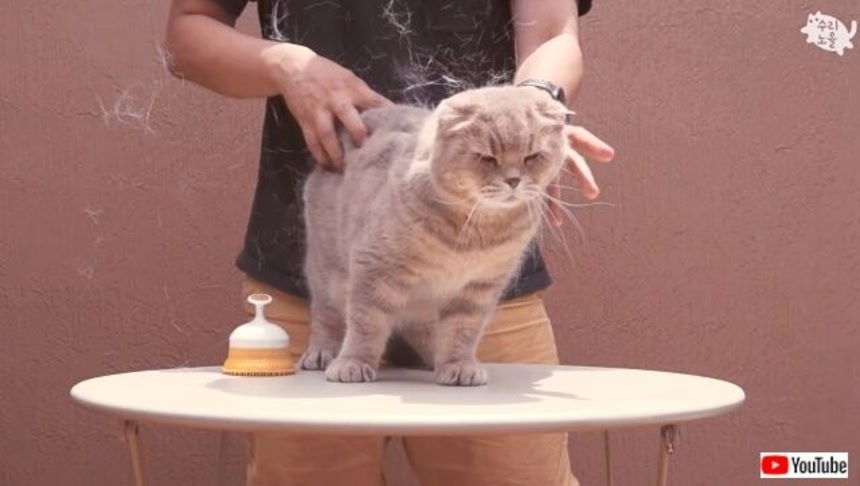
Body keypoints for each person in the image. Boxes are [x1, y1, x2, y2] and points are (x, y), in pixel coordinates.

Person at [165, 1, 615, 484]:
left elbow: (552, 32)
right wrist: (285, 64)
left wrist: (532, 109)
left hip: (479, 289)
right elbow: (189, 31)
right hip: (321, 288)